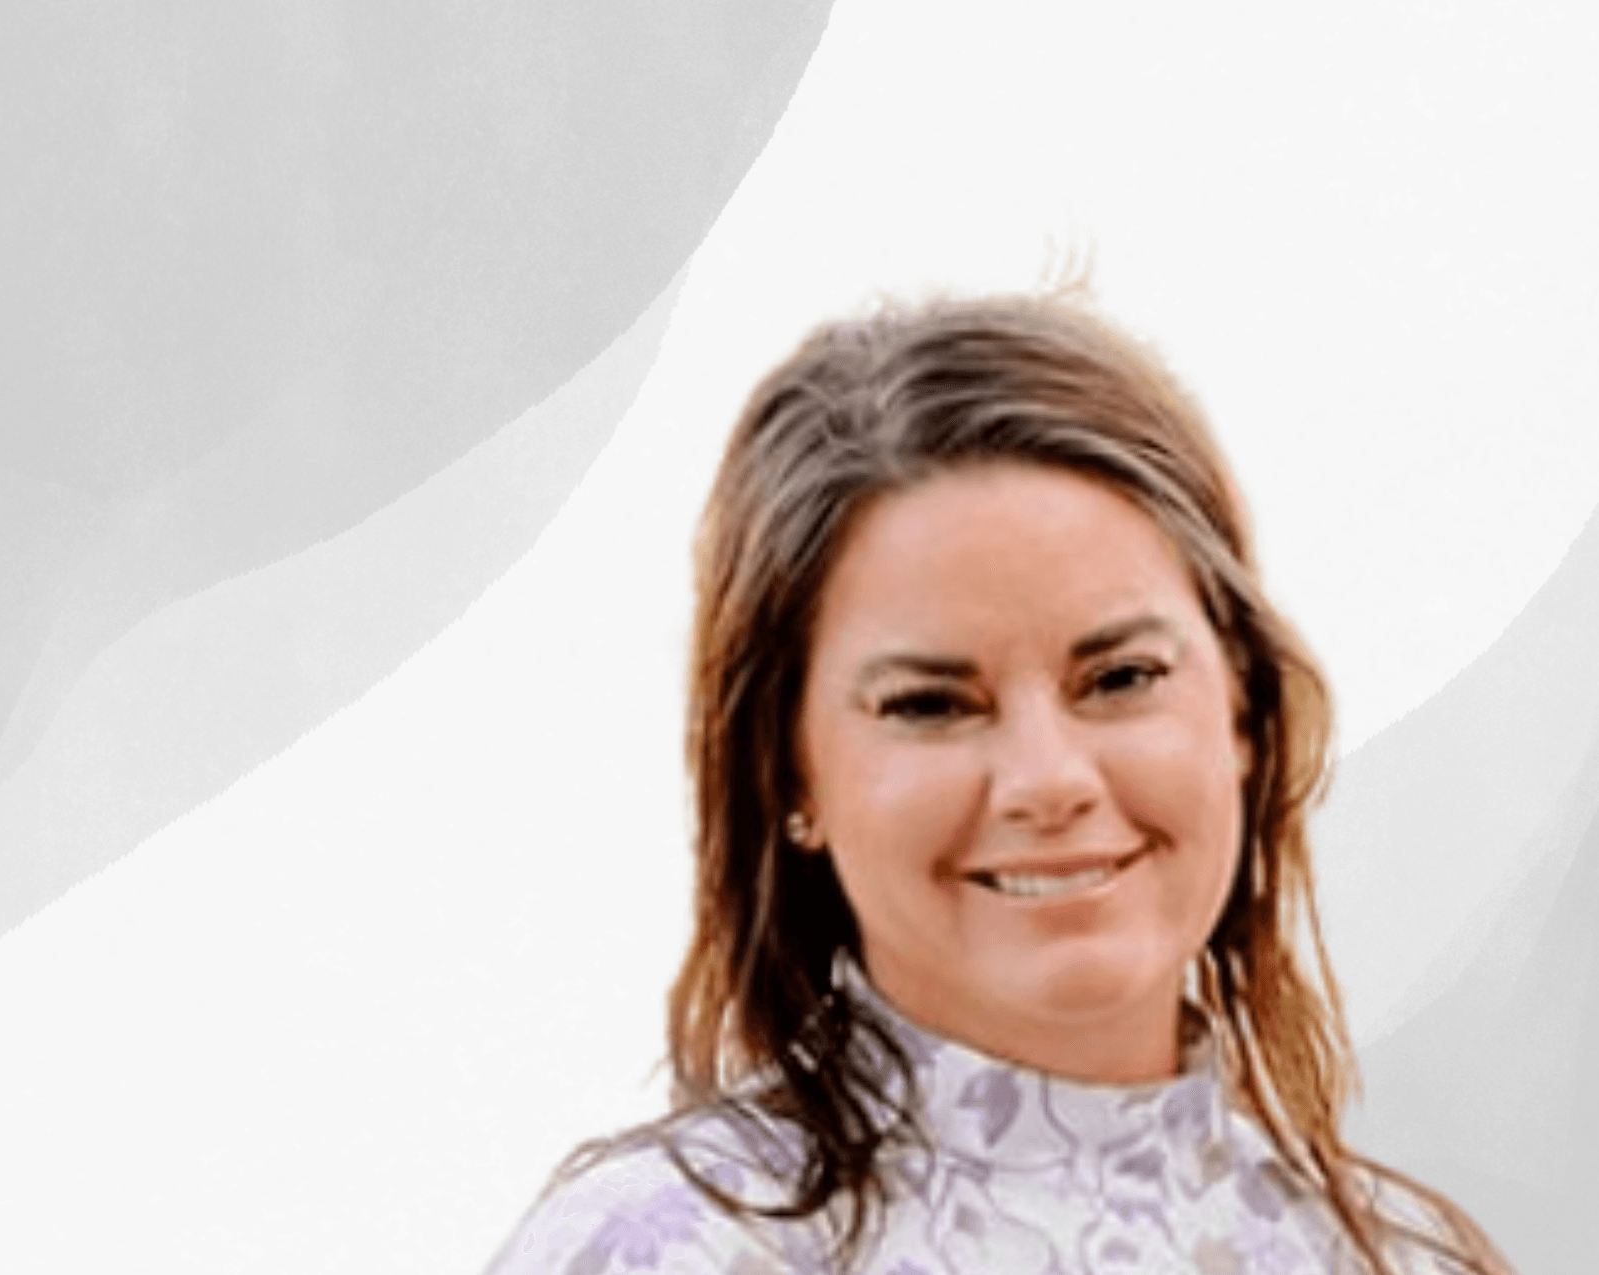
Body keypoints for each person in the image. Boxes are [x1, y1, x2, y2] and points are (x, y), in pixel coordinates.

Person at [484, 289, 1513, 1275]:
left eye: (1121, 678)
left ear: (1243, 707)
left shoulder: (1398, 1256)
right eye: (932, 704)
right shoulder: (669, 1250)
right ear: (789, 772)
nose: (1048, 781)